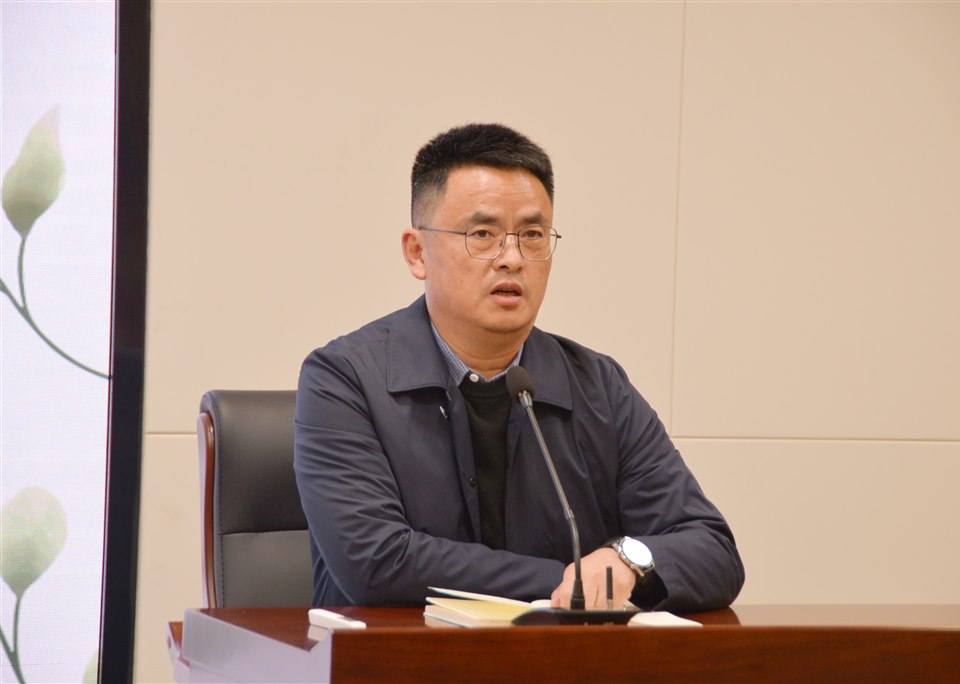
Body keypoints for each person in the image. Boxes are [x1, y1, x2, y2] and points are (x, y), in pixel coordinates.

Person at [294, 123, 744, 612]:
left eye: (532, 235)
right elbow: (377, 562)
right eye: (482, 235)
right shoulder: (343, 380)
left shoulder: (598, 387)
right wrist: (575, 580)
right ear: (417, 252)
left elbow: (713, 551)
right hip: (397, 654)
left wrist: (628, 563)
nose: (512, 258)